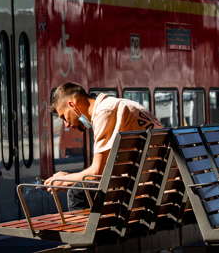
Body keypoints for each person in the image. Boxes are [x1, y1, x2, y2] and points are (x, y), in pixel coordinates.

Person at [45, 82, 160, 211]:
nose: (66, 125)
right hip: (158, 183)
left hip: (146, 189)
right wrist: (69, 177)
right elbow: (104, 169)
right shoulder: (118, 104)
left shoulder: (104, 112)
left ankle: (87, 231)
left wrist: (64, 180)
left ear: (72, 105)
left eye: (64, 117)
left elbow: (96, 172)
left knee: (77, 193)